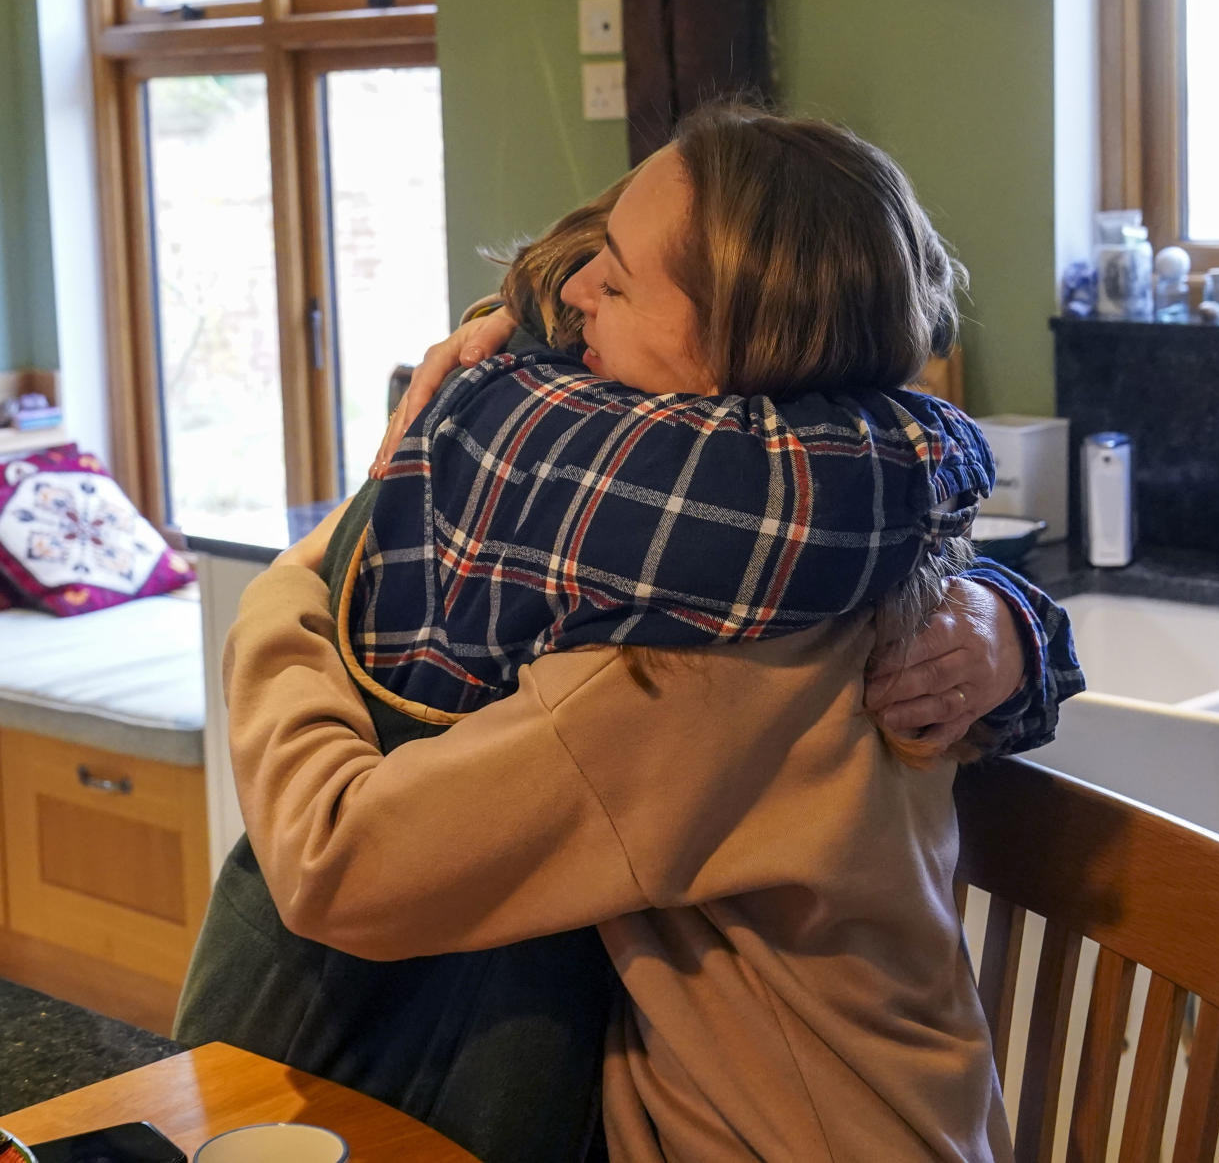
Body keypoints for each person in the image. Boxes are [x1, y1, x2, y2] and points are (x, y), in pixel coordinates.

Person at [180, 106, 1083, 1161]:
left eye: (615, 281)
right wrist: (1018, 626)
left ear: (733, 358)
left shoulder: (698, 667)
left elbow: (336, 859)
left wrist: (282, 602)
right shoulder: (846, 557)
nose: (574, 298)